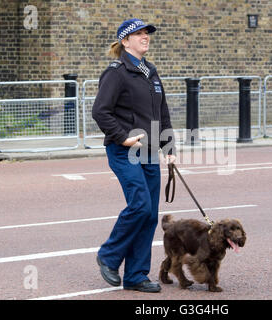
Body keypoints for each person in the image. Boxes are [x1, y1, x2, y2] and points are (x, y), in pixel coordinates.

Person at [92, 18, 176, 293]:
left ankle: (136, 275)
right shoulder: (116, 72)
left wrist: (170, 149)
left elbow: (161, 114)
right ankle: (108, 256)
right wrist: (122, 137)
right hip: (124, 151)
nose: (145, 37)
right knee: (139, 205)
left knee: (150, 214)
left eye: (147, 33)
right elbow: (100, 111)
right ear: (124, 41)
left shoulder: (150, 71)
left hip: (151, 151)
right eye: (138, 34)